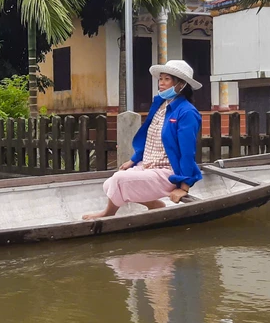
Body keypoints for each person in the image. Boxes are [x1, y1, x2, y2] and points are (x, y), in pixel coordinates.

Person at [83, 59, 203, 220]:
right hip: (148, 164)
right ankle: (154, 205)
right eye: (161, 78)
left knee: (118, 181)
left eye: (167, 79)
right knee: (110, 183)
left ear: (181, 85)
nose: (161, 83)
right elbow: (150, 139)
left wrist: (184, 187)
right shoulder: (161, 105)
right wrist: (133, 160)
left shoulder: (187, 112)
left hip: (168, 172)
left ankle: (108, 214)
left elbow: (187, 152)